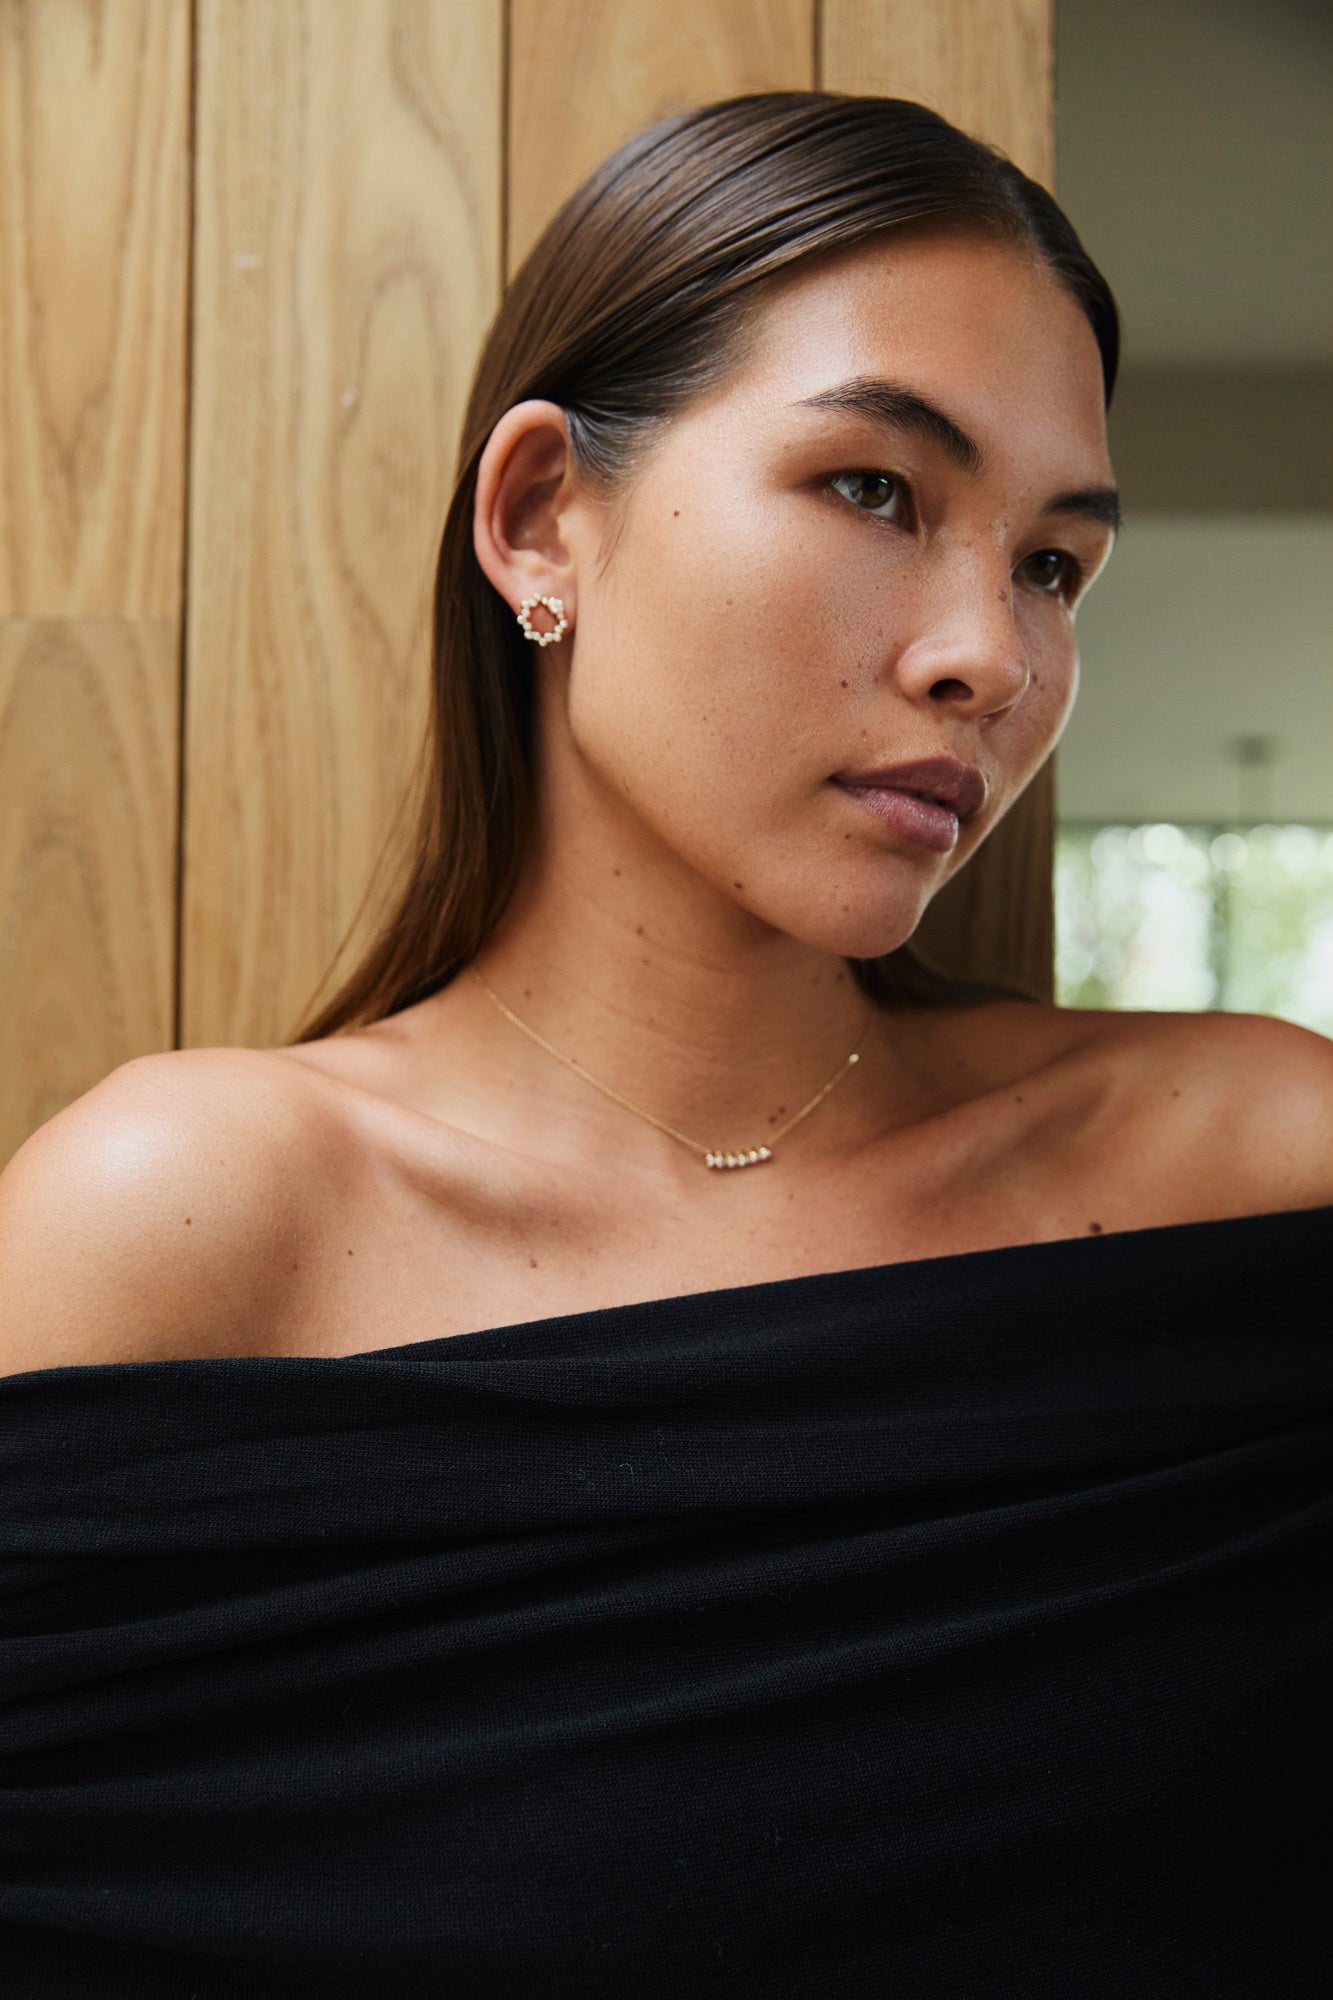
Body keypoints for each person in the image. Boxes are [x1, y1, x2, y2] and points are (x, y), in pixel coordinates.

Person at [0, 91, 1329, 2000]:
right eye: (874, 488)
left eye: (1054, 564)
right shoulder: (193, 1212)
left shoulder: (1258, 1164)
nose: (989, 655)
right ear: (542, 514)